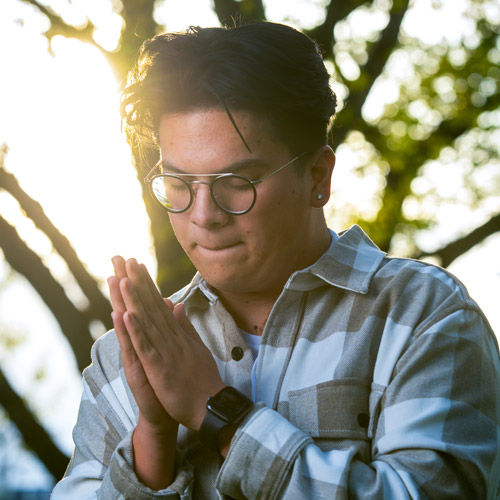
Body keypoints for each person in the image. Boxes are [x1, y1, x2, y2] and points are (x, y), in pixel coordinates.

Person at [52, 22, 500, 499]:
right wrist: (153, 439)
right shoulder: (124, 358)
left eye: (238, 182)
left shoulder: (423, 316)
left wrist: (216, 412)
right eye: (179, 185)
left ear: (317, 176)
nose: (204, 216)